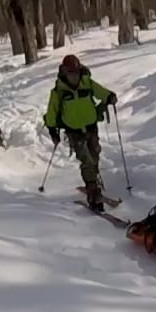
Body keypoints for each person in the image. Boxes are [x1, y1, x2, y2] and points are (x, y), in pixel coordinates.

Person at [44, 54, 118, 211]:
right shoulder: (58, 91)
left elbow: (101, 92)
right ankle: (93, 193)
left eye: (76, 73)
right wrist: (52, 129)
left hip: (91, 126)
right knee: (86, 160)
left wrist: (110, 97)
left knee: (95, 153)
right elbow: (52, 111)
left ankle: (94, 179)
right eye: (70, 73)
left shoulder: (87, 82)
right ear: (64, 72)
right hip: (73, 131)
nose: (74, 76)